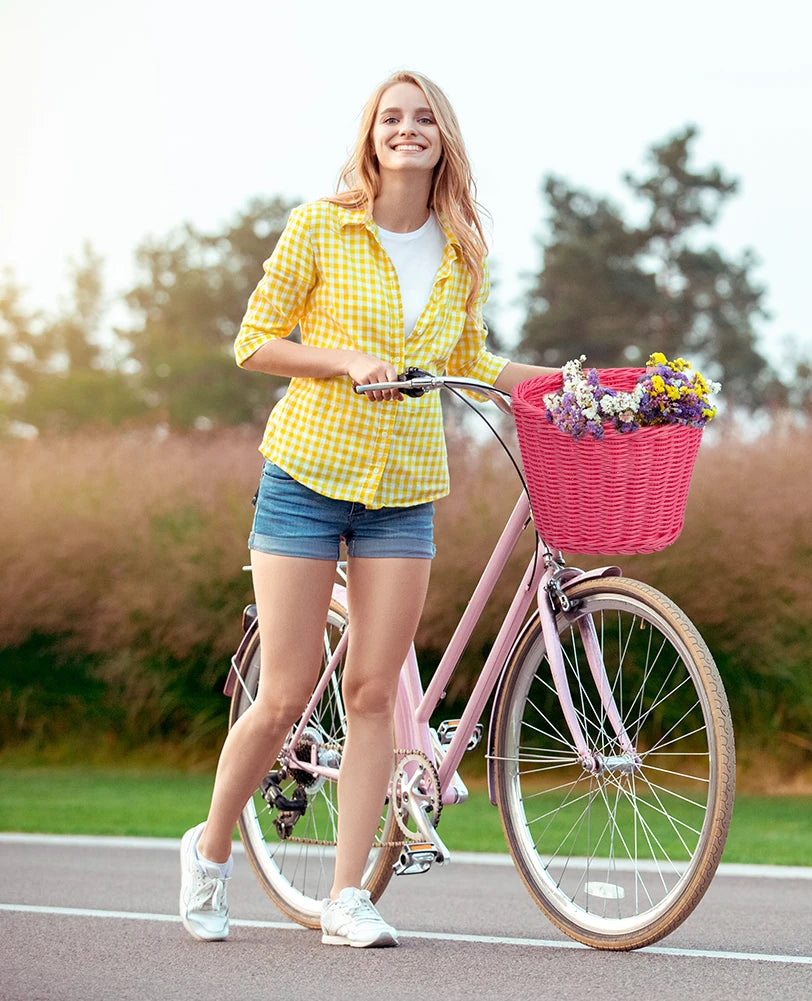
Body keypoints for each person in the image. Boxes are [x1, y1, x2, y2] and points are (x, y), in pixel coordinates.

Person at [178, 70, 553, 948]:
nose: (407, 129)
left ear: (442, 139)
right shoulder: (322, 226)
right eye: (392, 118)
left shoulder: (462, 248)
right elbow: (254, 342)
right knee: (283, 696)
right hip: (306, 476)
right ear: (371, 136)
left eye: (424, 119)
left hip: (404, 490)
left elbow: (473, 359)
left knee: (376, 692)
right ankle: (211, 846)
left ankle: (347, 896)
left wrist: (570, 382)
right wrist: (345, 359)